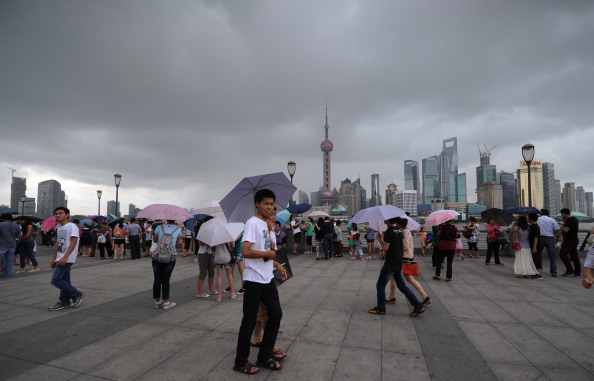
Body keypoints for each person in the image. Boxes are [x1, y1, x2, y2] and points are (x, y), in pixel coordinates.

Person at [234, 189, 284, 375]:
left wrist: (276, 263)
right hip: (254, 279)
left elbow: (268, 253)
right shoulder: (252, 223)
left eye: (272, 204)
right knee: (249, 320)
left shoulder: (268, 226)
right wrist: (268, 254)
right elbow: (246, 252)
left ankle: (264, 356)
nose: (270, 207)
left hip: (267, 278)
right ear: (257, 204)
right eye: (266, 203)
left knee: (276, 315)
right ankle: (240, 361)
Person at [368, 216, 426, 317]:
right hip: (399, 262)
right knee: (402, 286)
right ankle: (418, 306)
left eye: (385, 218)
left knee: (380, 285)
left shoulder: (389, 231)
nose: (384, 219)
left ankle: (381, 308)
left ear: (388, 220)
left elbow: (385, 248)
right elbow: (403, 245)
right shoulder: (399, 230)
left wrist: (379, 239)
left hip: (390, 263)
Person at [48, 207, 85, 311]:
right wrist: (54, 258)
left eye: (60, 213)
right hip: (60, 257)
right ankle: (64, 302)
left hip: (67, 257)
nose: (58, 215)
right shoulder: (60, 227)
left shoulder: (72, 226)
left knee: (55, 280)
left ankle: (77, 294)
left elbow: (74, 241)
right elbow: (58, 243)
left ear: (67, 215)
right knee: (65, 280)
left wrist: (65, 257)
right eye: (56, 213)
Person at [151, 220, 182, 309]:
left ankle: (157, 301)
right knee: (166, 279)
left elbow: (155, 240)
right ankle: (166, 302)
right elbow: (176, 243)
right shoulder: (178, 229)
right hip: (170, 257)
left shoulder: (158, 227)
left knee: (157, 279)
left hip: (158, 256)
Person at [537, 209, 560, 277]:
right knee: (552, 256)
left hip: (540, 238)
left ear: (540, 213)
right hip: (550, 238)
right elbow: (557, 230)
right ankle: (554, 271)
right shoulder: (552, 220)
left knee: (538, 255)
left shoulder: (538, 219)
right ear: (548, 213)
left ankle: (539, 269)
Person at [559, 208, 581, 277]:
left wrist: (561, 226)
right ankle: (577, 271)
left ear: (564, 214)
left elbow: (566, 230)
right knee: (574, 256)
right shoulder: (574, 219)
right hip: (574, 239)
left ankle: (570, 270)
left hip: (569, 240)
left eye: (562, 214)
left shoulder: (569, 220)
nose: (562, 215)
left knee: (562, 254)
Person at [528, 214, 543, 279]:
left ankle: (539, 274)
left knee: (537, 259)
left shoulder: (535, 227)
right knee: (534, 259)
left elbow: (536, 237)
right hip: (533, 245)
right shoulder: (532, 226)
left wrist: (534, 247)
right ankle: (536, 272)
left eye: (529, 218)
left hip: (536, 246)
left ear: (531, 219)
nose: (528, 219)